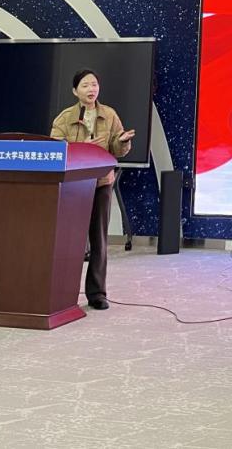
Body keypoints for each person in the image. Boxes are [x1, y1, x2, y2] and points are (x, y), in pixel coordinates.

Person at [50, 69, 134, 310]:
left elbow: (116, 149)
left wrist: (123, 142)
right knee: (69, 239)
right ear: (75, 91)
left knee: (99, 240)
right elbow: (54, 150)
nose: (91, 89)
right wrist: (81, 147)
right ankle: (62, 291)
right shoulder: (64, 118)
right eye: (85, 85)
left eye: (94, 84)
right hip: (72, 186)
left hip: (101, 182)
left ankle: (97, 293)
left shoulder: (109, 114)